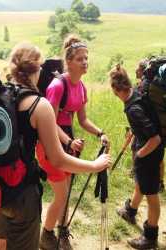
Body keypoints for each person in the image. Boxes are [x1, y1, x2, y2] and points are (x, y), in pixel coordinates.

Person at [0, 42, 112, 250]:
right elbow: (57, 159)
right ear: (37, 68)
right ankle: (50, 234)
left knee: (0, 243)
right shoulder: (39, 105)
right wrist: (95, 165)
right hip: (21, 192)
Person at [36, 35, 110, 250]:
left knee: (65, 192)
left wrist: (100, 133)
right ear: (68, 61)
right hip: (51, 141)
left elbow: (83, 120)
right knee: (62, 193)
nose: (85, 62)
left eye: (86, 58)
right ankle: (46, 235)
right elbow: (47, 121)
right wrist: (69, 142)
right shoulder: (58, 86)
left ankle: (62, 231)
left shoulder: (81, 87)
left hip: (68, 140)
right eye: (79, 58)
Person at [109, 65, 163, 250]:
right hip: (145, 149)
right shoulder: (137, 92)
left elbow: (155, 138)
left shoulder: (134, 109)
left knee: (152, 194)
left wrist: (139, 154)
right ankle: (130, 211)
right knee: (141, 182)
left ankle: (150, 237)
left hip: (149, 153)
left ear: (116, 89)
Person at [135, 59, 165, 192]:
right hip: (160, 128)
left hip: (148, 131)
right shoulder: (155, 86)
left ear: (143, 71)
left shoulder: (144, 86)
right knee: (159, 158)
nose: (135, 70)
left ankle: (144, 180)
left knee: (142, 155)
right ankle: (160, 182)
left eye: (138, 68)